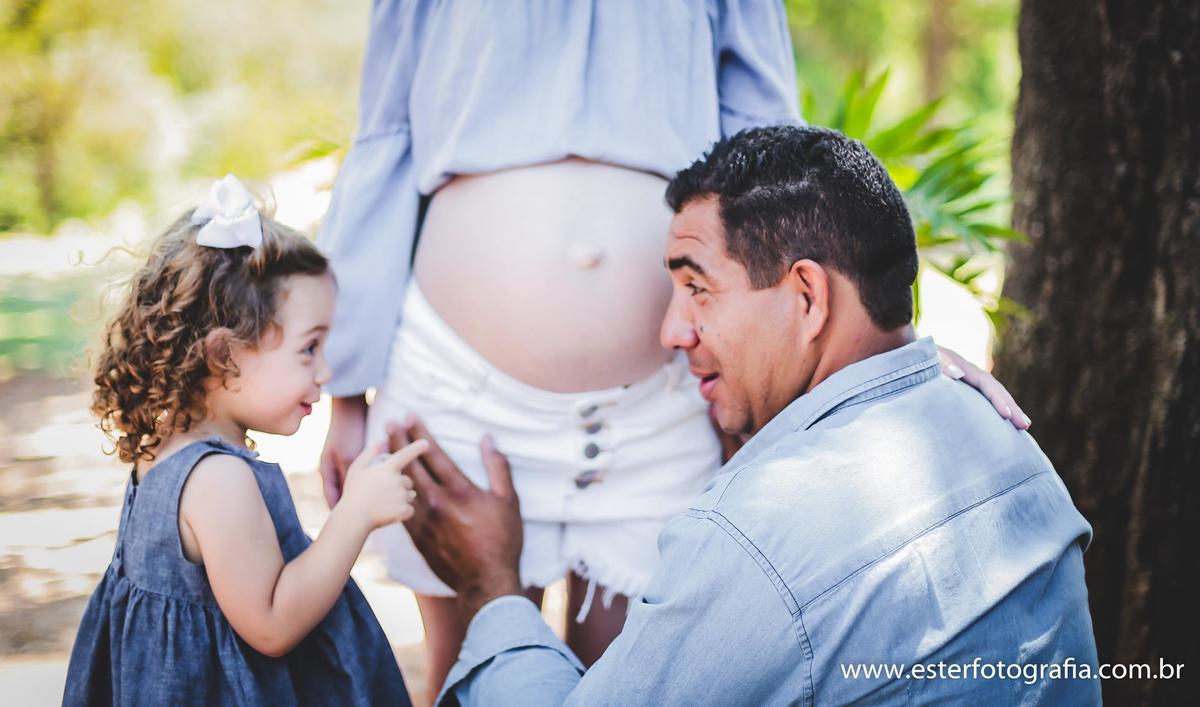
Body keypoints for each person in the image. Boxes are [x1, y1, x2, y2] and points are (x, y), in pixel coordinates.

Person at [316, 3, 1029, 699]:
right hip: (459, 379)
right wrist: (346, 392)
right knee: (467, 676)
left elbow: (777, 153)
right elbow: (386, 137)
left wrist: (881, 349)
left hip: (666, 402)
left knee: (641, 681)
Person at [393, 127, 1101, 705]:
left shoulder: (762, 532)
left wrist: (492, 584)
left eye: (697, 287)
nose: (672, 332)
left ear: (807, 298)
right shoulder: (1002, 438)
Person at [63, 176, 427, 706]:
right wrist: (357, 514)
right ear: (223, 355)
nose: (326, 371)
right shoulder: (217, 480)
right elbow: (273, 625)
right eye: (309, 349)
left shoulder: (165, 452)